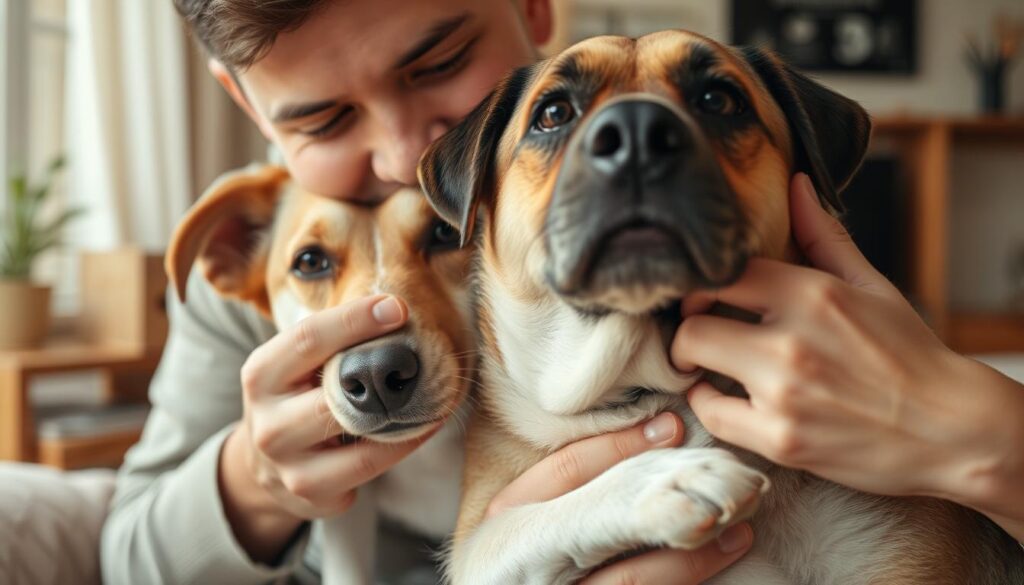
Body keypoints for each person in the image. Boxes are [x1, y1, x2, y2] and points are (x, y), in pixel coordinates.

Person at [101, 1, 1024, 584]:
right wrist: (255, 478)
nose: (398, 160)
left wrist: (977, 430)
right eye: (324, 117)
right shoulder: (269, 260)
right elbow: (124, 551)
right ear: (252, 110)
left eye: (434, 63)